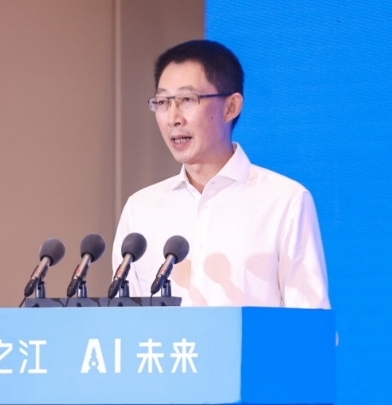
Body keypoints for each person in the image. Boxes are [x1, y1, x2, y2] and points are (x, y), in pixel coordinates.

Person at [114, 40, 330, 308]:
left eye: (187, 100)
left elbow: (309, 320)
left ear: (231, 107)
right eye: (163, 102)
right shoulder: (141, 209)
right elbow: (124, 321)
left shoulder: (284, 201)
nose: (173, 118)